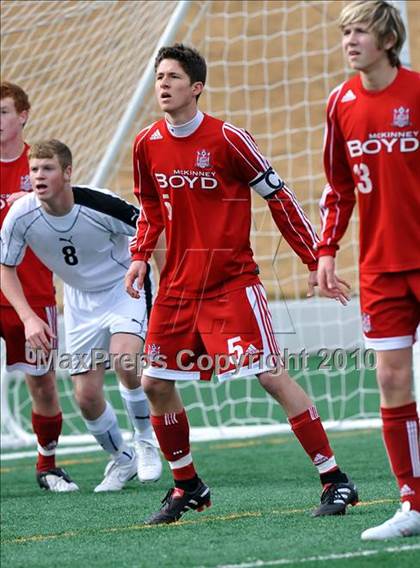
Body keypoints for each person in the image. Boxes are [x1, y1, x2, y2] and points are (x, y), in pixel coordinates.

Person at [125, 43, 356, 525]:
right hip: (177, 288)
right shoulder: (146, 143)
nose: (162, 84)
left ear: (196, 87)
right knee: (153, 383)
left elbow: (281, 197)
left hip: (231, 282)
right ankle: (187, 485)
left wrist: (317, 258)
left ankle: (336, 479)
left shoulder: (229, 139)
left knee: (269, 375)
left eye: (172, 77)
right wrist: (140, 256)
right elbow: (149, 209)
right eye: (158, 77)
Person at [1, 139, 162, 492]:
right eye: (33, 170)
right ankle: (122, 459)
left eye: (48, 169)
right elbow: (6, 267)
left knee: (125, 359)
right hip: (79, 302)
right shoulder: (21, 216)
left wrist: (166, 290)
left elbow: (153, 229)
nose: (38, 177)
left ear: (68, 173)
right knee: (86, 397)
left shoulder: (99, 203)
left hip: (124, 288)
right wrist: (28, 317)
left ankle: (146, 440)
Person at [317, 0, 420, 540]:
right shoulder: (341, 102)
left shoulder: (419, 91)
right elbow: (337, 186)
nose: (350, 40)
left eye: (360, 31)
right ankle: (414, 503)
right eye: (346, 32)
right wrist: (327, 250)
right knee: (390, 378)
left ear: (387, 39)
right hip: (380, 266)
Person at [0, 82, 78, 492]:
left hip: (31, 295)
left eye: (3, 112)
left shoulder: (39, 168)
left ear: (23, 115)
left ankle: (47, 466)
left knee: (43, 383)